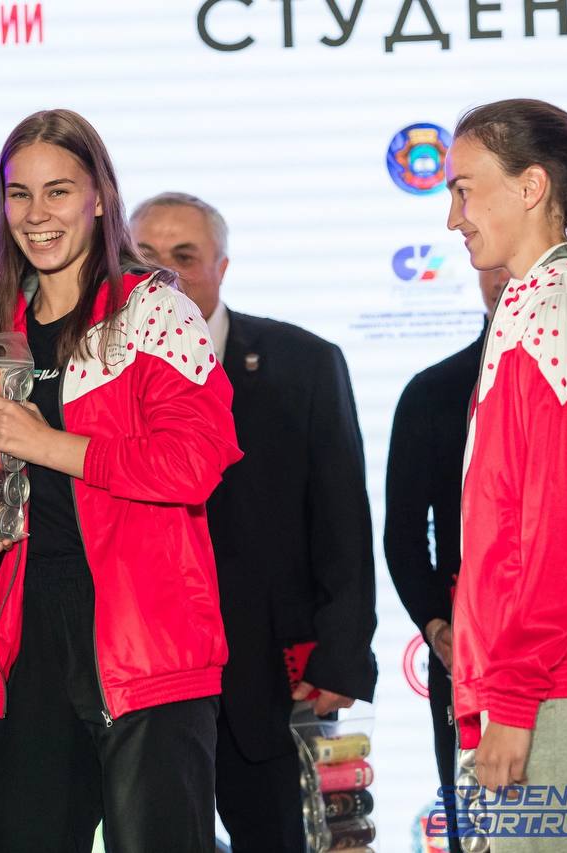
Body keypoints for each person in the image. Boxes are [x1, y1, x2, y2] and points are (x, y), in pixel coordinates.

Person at [0, 110, 242, 853]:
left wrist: (48, 443)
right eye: (19, 194)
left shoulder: (154, 309)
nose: (37, 215)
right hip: (30, 631)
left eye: (58, 191)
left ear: (99, 197)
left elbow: (196, 462)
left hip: (148, 637)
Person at [131, 191, 377, 852]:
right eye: (146, 258)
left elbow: (342, 521)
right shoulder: (95, 369)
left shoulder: (304, 361)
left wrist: (343, 653)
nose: (165, 277)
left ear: (222, 267)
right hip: (147, 675)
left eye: (185, 257)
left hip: (274, 675)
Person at [445, 98, 567, 849]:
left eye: (464, 189)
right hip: (548, 684)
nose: (454, 218)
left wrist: (512, 698)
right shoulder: (540, 301)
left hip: (561, 689)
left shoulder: (562, 308)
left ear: (532, 186)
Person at [384, 267, 509, 853]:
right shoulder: (433, 392)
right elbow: (404, 538)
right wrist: (439, 628)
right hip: (467, 662)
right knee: (480, 835)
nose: (505, 276)